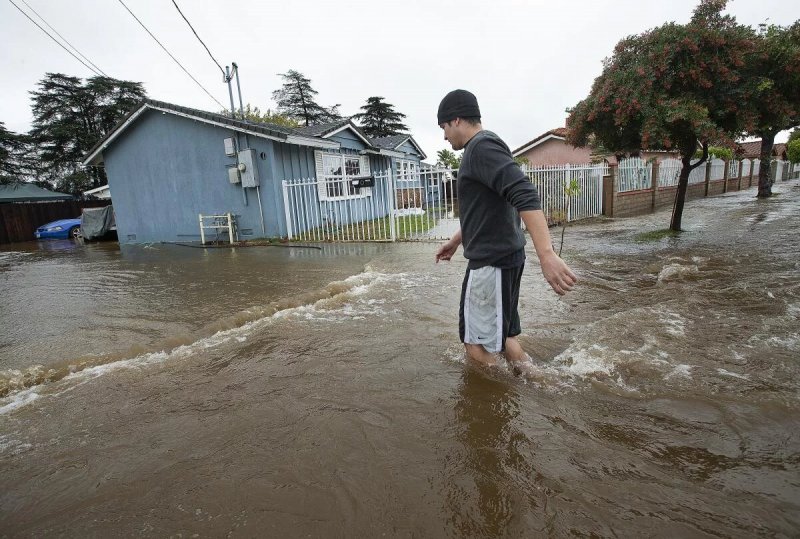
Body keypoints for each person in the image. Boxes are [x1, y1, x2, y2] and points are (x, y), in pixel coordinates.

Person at [434, 89, 577, 371]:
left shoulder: (481, 148)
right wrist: (455, 241)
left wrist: (547, 255)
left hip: (492, 263)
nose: (444, 137)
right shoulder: (486, 147)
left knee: (475, 344)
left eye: (444, 128)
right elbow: (485, 208)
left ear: (457, 120)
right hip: (504, 259)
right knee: (504, 337)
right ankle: (542, 384)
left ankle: (498, 406)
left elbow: (525, 194)